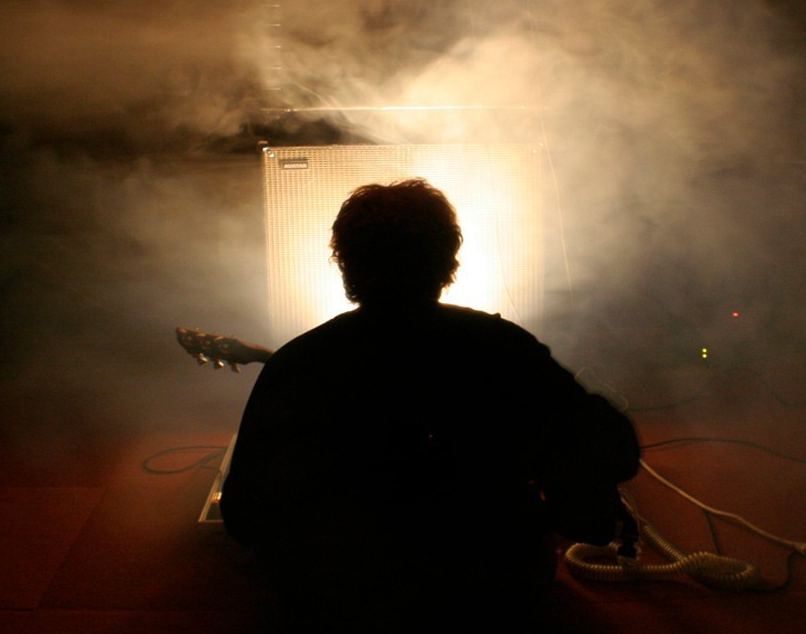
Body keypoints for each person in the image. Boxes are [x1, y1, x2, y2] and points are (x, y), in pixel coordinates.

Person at [220, 178, 639, 632]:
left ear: (345, 264)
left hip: (342, 601)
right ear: (448, 261)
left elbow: (242, 514)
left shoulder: (297, 362)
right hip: (490, 592)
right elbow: (616, 450)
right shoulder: (504, 347)